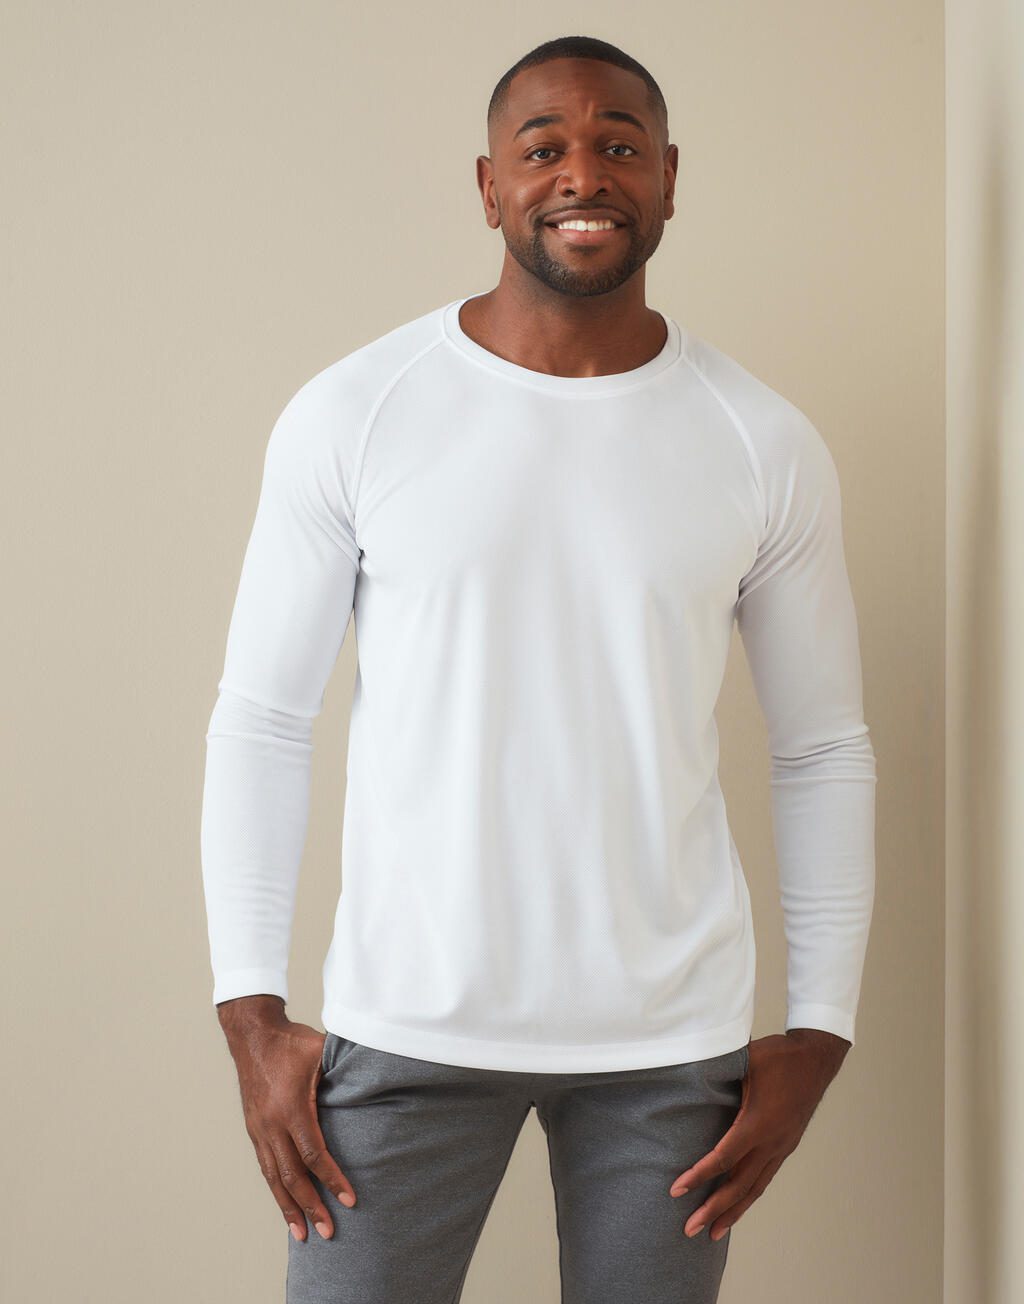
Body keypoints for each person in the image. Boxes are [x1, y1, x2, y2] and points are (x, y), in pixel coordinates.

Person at [200, 33, 877, 1304]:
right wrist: (250, 1010)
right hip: (405, 1020)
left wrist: (821, 1025)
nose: (583, 174)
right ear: (489, 185)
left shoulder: (759, 439)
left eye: (619, 145)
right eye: (544, 147)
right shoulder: (357, 411)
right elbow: (262, 718)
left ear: (667, 178)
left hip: (669, 1045)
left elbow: (821, 746)